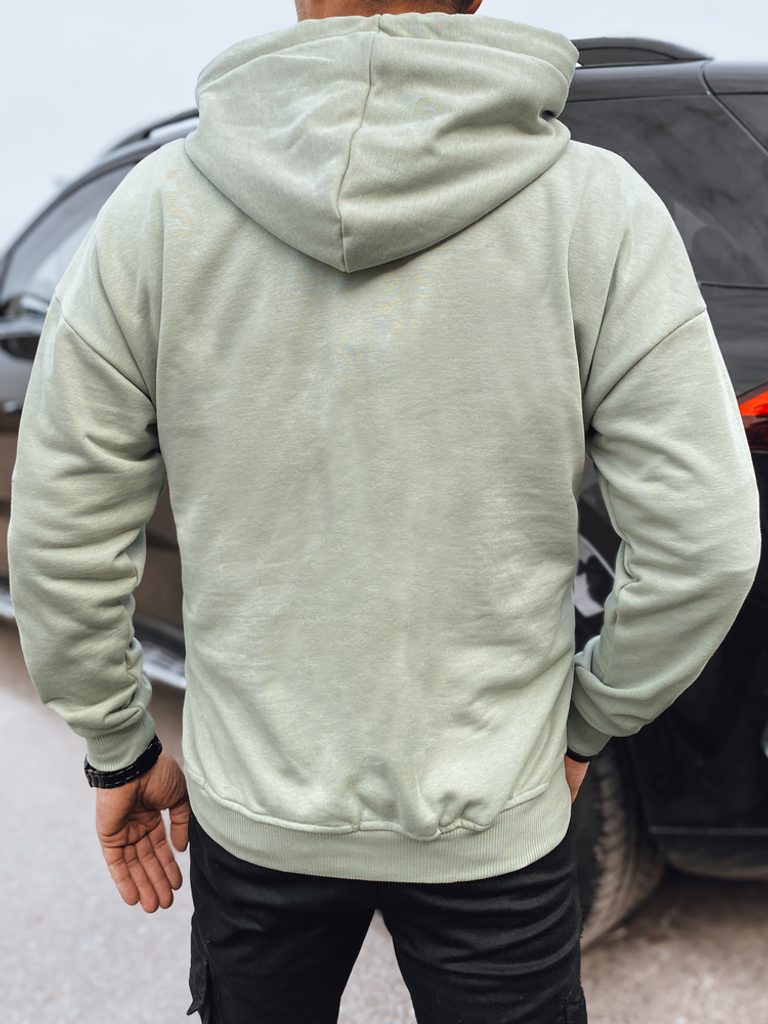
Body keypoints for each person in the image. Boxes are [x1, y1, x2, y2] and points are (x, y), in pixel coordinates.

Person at [7, 0, 762, 1021]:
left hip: (256, 817)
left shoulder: (159, 211)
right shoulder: (596, 208)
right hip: (496, 815)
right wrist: (589, 721)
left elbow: (60, 534)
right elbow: (705, 542)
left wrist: (119, 744)